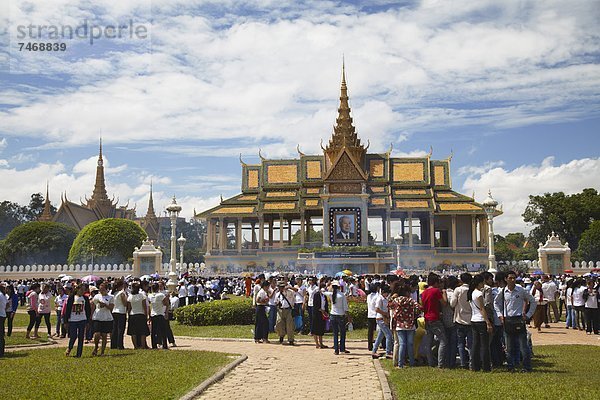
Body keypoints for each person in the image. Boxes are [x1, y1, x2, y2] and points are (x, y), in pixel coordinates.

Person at [494, 270, 537, 372]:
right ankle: (511, 366)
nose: (512, 280)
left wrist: (528, 315)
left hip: (519, 319)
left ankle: (527, 367)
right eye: (510, 278)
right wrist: (500, 315)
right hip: (507, 320)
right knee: (509, 346)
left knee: (523, 346)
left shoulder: (521, 290)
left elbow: (532, 301)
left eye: (514, 278)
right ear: (506, 279)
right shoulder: (503, 291)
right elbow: (496, 303)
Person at [389, 284, 422, 368]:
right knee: (410, 344)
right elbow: (419, 308)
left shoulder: (396, 300)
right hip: (410, 324)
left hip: (399, 325)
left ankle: (400, 364)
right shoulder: (410, 300)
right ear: (407, 292)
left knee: (402, 344)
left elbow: (389, 306)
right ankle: (412, 362)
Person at [421, 273, 448, 368]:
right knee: (443, 340)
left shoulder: (424, 293)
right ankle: (441, 363)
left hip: (427, 318)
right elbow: (444, 303)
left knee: (428, 342)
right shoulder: (436, 291)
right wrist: (444, 293)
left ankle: (430, 362)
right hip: (435, 318)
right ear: (436, 282)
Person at [468, 274, 492, 372]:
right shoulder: (479, 294)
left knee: (475, 344)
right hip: (481, 320)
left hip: (473, 319)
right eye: (482, 282)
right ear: (479, 283)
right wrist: (488, 322)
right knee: (485, 345)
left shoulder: (471, 293)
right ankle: (486, 366)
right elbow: (482, 309)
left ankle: (475, 366)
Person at [450, 273, 472, 369]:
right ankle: (472, 362)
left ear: (461, 281)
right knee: (471, 344)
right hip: (471, 319)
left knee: (461, 344)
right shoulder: (473, 290)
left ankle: (463, 363)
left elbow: (452, 304)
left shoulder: (458, 290)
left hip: (459, 319)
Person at [64, 284, 92, 357]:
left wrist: (88, 321)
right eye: (81, 289)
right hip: (73, 320)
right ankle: (69, 348)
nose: (83, 291)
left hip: (82, 319)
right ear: (77, 289)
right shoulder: (72, 297)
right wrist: (66, 321)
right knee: (73, 336)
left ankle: (79, 354)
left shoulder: (85, 298)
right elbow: (68, 310)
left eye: (84, 290)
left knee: (81, 337)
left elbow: (88, 310)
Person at [325, 280, 350, 355]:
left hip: (333, 315)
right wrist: (348, 316)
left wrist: (329, 285)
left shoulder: (331, 294)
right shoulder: (342, 295)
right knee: (342, 333)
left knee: (335, 333)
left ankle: (336, 349)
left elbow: (323, 291)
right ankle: (342, 348)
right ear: (339, 287)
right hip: (340, 315)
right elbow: (345, 308)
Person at [91, 283, 114, 356]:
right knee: (97, 334)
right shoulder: (97, 296)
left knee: (104, 335)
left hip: (106, 318)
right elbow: (93, 305)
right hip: (97, 316)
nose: (101, 291)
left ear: (106, 289)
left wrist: (105, 305)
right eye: (100, 289)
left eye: (103, 289)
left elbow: (111, 308)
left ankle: (102, 351)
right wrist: (91, 314)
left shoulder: (111, 297)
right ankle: (96, 347)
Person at [371, 285, 393, 360]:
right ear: (383, 292)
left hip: (384, 318)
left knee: (380, 336)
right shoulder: (379, 299)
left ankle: (374, 351)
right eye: (386, 293)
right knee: (389, 335)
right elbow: (377, 309)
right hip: (380, 318)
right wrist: (385, 313)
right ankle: (388, 352)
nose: (387, 294)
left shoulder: (384, 299)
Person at [127, 282, 150, 349]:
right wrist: (146, 315)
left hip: (133, 315)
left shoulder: (130, 297)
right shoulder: (142, 296)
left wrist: (128, 316)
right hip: (141, 314)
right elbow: (144, 307)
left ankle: (135, 346)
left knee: (133, 332)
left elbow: (129, 308)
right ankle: (143, 346)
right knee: (143, 331)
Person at [148, 282, 169, 349]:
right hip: (160, 314)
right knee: (163, 330)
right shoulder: (161, 295)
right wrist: (166, 312)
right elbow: (166, 303)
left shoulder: (150, 296)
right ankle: (164, 345)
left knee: (153, 331)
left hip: (153, 314)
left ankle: (154, 345)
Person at [275, 281, 296, 345]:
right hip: (280, 310)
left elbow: (295, 291)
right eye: (280, 287)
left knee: (289, 325)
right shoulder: (277, 294)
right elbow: (275, 301)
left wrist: (289, 288)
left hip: (288, 309)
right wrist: (277, 303)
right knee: (279, 323)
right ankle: (281, 336)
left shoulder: (289, 292)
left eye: (282, 287)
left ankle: (291, 339)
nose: (281, 288)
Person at [110, 279, 128, 350]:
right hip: (121, 312)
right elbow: (125, 303)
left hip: (114, 311)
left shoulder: (114, 293)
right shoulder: (122, 293)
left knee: (114, 329)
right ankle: (120, 345)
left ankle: (113, 344)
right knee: (120, 329)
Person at [311, 281, 328, 349]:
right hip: (317, 313)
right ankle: (317, 343)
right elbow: (315, 305)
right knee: (315, 329)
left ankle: (321, 343)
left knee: (321, 329)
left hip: (323, 314)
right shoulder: (316, 295)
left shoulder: (324, 296)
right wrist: (321, 310)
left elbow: (325, 305)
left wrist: (326, 312)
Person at [367, 282, 380, 351]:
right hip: (376, 315)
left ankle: (370, 345)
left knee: (370, 331)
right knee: (380, 331)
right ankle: (381, 344)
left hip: (370, 315)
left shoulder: (368, 296)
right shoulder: (377, 296)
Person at [0, 283, 7, 357]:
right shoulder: (3, 295)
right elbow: (7, 304)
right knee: (1, 334)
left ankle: (1, 352)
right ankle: (2, 351)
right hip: (3, 314)